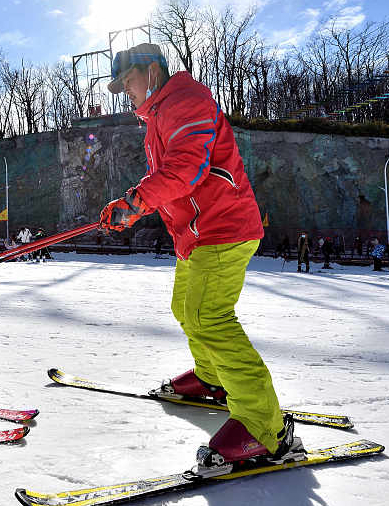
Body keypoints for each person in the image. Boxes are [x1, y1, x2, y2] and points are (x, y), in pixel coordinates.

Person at [98, 42, 292, 468]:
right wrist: (133, 203)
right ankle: (212, 379)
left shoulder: (184, 101)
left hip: (223, 229)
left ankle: (265, 428)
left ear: (151, 72)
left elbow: (186, 169)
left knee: (209, 316)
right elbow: (166, 176)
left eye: (127, 81)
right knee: (187, 310)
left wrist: (136, 203)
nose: (125, 91)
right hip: (197, 235)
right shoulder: (159, 116)